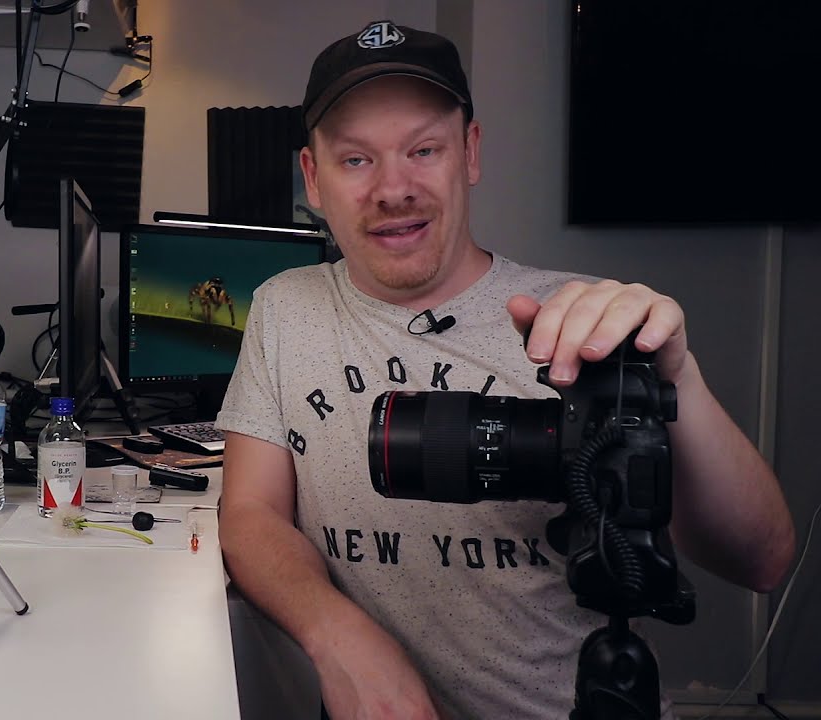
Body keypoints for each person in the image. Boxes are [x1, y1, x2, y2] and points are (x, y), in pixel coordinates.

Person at [214, 20, 797, 720]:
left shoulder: (588, 323)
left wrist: (679, 381)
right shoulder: (284, 309)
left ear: (470, 153)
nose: (393, 189)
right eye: (356, 160)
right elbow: (249, 513)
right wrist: (336, 633)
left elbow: (761, 559)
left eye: (423, 149)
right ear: (313, 175)